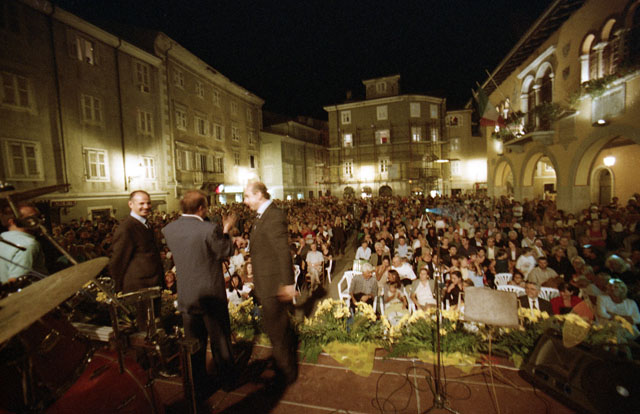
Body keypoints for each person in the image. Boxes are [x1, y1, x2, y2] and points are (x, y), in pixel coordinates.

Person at [162, 189, 240, 400]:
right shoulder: (209, 229)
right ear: (201, 208)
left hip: (187, 296)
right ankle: (227, 381)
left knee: (194, 345)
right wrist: (226, 229)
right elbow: (225, 251)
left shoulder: (169, 229)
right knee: (220, 341)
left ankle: (198, 386)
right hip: (211, 295)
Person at [243, 181, 298, 386]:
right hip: (266, 282)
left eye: (247, 196)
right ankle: (282, 366)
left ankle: (286, 375)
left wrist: (288, 283)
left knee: (277, 330)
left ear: (259, 195)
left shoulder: (273, 215)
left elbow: (283, 251)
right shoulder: (261, 216)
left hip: (274, 284)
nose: (245, 201)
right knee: (275, 329)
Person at [109, 190, 163, 294]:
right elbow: (118, 261)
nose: (146, 207)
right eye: (141, 203)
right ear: (130, 204)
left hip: (152, 285)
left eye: (148, 203)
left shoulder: (147, 224)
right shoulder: (126, 228)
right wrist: (117, 290)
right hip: (137, 288)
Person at [0, 203, 47, 284]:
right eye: (33, 218)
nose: (40, 221)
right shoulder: (28, 244)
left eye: (39, 217)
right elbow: (16, 282)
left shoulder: (2, 239)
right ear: (12, 222)